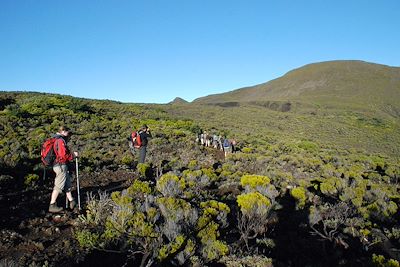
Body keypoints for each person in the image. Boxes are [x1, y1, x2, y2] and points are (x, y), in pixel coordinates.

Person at [48, 126, 79, 213]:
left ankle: (71, 201)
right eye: (67, 133)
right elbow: (63, 155)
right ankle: (52, 204)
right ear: (63, 131)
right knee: (58, 185)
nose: (68, 135)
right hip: (60, 165)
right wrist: (73, 155)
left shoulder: (56, 139)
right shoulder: (60, 140)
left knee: (66, 183)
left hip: (60, 165)